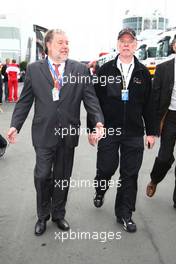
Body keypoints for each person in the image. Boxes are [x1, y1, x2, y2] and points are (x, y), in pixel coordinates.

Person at [7, 29, 104, 236]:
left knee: (62, 177)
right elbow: (25, 101)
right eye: (60, 42)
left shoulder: (80, 70)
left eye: (67, 42)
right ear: (48, 45)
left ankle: (59, 213)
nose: (65, 46)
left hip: (68, 133)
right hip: (43, 133)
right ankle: (42, 216)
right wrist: (15, 124)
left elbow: (91, 99)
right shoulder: (34, 70)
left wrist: (97, 122)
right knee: (42, 175)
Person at [88, 28, 156, 233]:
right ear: (118, 44)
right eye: (122, 41)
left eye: (130, 41)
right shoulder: (105, 70)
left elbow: (149, 105)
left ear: (135, 45)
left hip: (134, 133)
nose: (126, 44)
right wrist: (93, 128)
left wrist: (151, 132)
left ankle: (124, 213)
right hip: (109, 130)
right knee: (106, 168)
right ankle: (100, 189)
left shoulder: (143, 73)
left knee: (130, 174)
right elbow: (94, 102)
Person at [146, 37, 176, 208]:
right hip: (170, 118)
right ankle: (155, 179)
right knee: (165, 157)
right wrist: (152, 125)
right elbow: (155, 97)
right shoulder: (163, 68)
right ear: (174, 46)